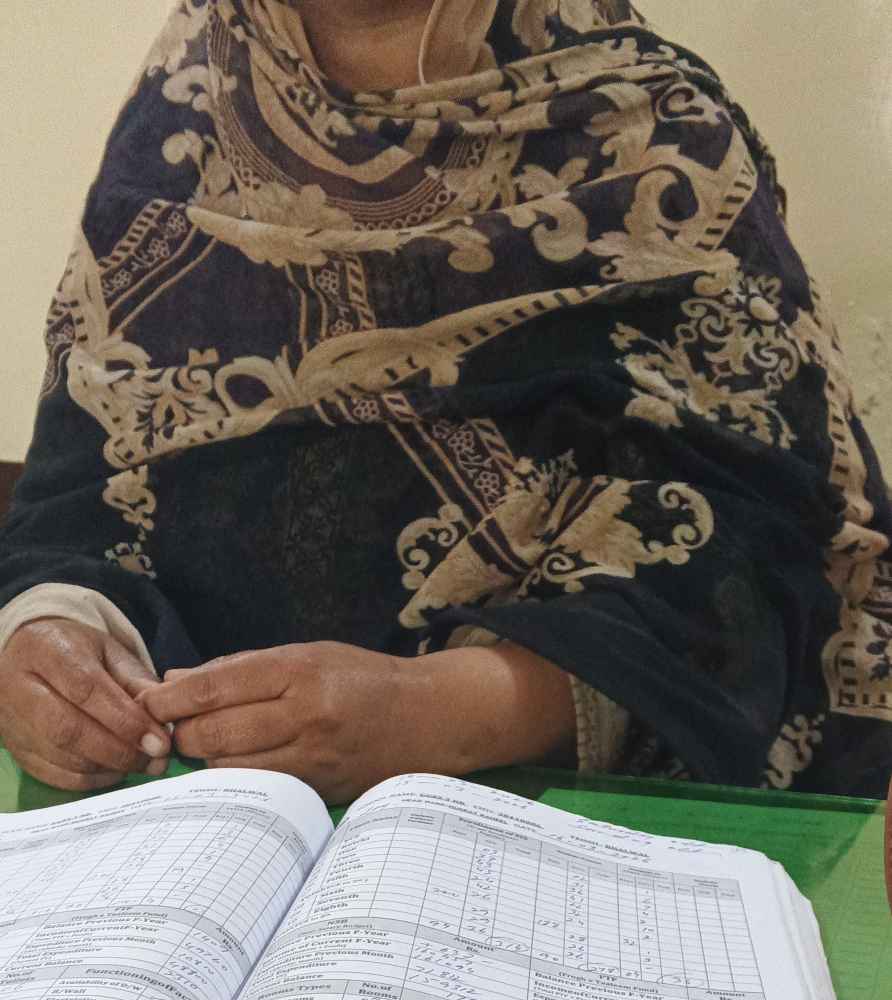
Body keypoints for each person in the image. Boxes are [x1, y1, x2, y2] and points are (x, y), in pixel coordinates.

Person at [0, 0, 890, 801]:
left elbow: (765, 543)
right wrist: (49, 634)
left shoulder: (659, 138)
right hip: (201, 824)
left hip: (561, 826)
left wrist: (448, 711)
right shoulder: (184, 105)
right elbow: (82, 478)